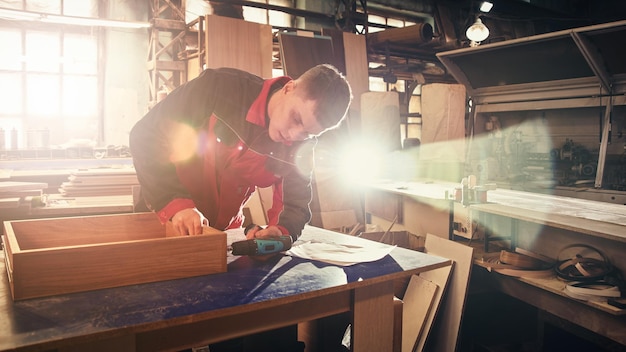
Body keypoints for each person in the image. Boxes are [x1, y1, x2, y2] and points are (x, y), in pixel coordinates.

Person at [129, 64, 352, 243]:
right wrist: (177, 205)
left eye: (308, 133)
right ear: (288, 88)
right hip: (164, 215)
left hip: (220, 235)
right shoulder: (218, 88)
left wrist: (280, 231)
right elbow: (146, 135)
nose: (293, 135)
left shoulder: (299, 147)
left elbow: (295, 203)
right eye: (296, 118)